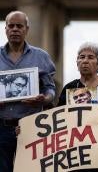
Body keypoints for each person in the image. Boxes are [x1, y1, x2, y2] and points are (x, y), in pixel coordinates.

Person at [0, 10, 56, 172]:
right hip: (1, 126)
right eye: (11, 26)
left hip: (32, 126)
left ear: (27, 29)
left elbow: (50, 88)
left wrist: (44, 99)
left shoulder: (41, 57)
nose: (15, 29)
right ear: (6, 29)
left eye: (19, 26)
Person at [58, 41, 98, 172]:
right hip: (75, 155)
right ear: (77, 63)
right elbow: (57, 119)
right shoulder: (69, 88)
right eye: (81, 57)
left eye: (90, 57)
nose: (85, 61)